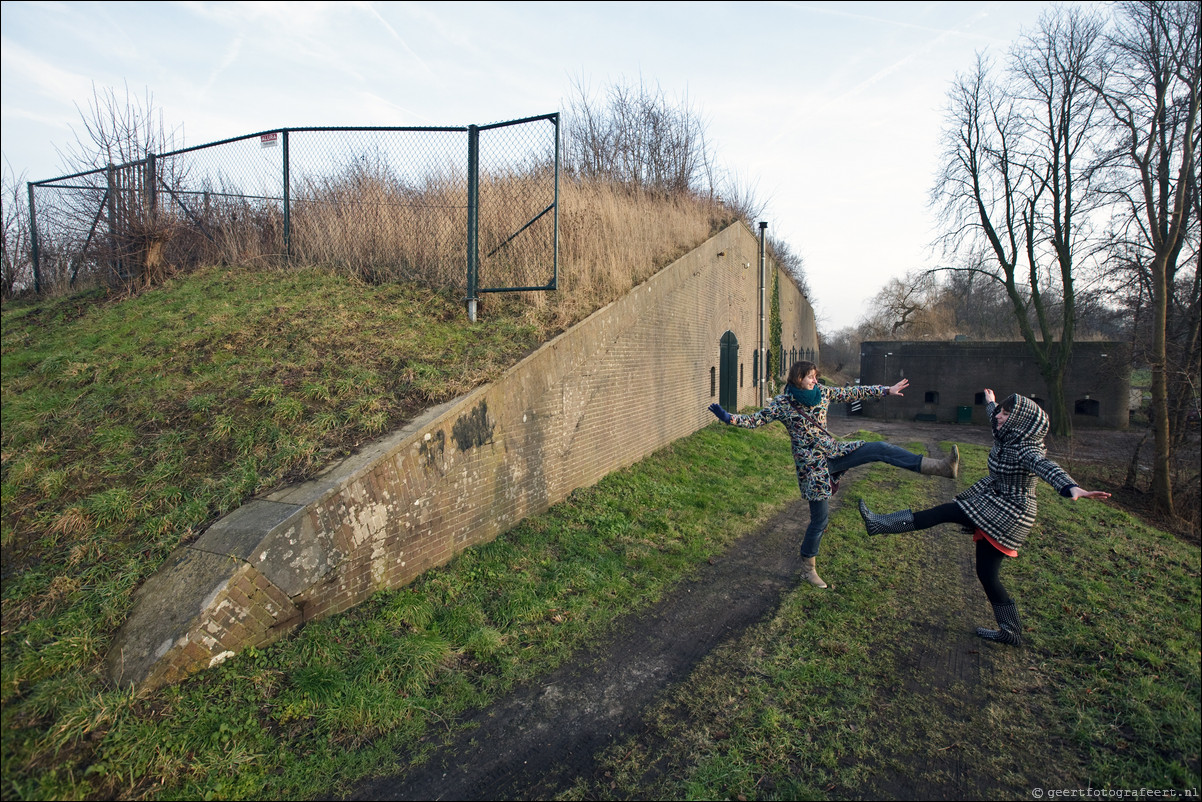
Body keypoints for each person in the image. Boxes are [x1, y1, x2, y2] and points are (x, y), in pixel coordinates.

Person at [858, 389, 1111, 646]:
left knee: (944, 512)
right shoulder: (1007, 434)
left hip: (1011, 513)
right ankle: (1010, 631)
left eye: (1006, 413)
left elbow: (1047, 468)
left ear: (1019, 420)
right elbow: (995, 418)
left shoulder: (1027, 449)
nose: (999, 417)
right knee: (987, 574)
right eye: (1000, 411)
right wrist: (991, 403)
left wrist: (1071, 487)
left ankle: (879, 524)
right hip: (996, 502)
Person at [708, 360, 959, 589]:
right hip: (812, 467)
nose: (815, 381)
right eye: (810, 377)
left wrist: (885, 390)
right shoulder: (783, 404)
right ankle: (809, 568)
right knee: (820, 520)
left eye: (816, 376)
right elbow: (756, 420)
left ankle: (940, 467)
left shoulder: (823, 394)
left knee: (879, 448)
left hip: (835, 453)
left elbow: (854, 392)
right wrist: (729, 418)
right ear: (797, 378)